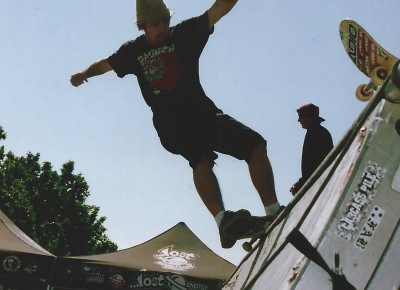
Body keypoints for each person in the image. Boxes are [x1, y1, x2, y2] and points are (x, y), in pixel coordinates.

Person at [70, 0, 282, 249]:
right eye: (155, 24)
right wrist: (84, 74)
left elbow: (217, 10)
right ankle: (222, 220)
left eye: (165, 22)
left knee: (255, 145)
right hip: (171, 124)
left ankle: (273, 212)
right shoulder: (132, 51)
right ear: (143, 26)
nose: (162, 28)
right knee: (200, 158)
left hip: (203, 114)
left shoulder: (184, 34)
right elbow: (105, 65)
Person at [290, 103, 334, 195]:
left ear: (308, 117)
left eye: (301, 117)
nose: (298, 120)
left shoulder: (317, 133)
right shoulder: (317, 132)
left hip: (320, 184)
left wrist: (301, 183)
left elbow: (315, 164)